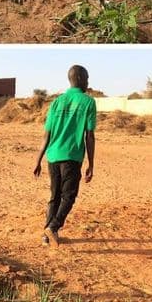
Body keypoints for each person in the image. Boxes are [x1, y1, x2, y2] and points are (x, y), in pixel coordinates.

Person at [33, 64, 96, 247]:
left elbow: (47, 135)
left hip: (53, 155)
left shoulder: (57, 102)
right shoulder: (88, 102)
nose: (88, 82)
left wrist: (38, 160)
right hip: (71, 156)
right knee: (68, 196)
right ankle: (53, 227)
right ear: (80, 79)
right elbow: (89, 136)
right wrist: (91, 164)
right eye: (87, 78)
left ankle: (47, 236)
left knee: (55, 196)